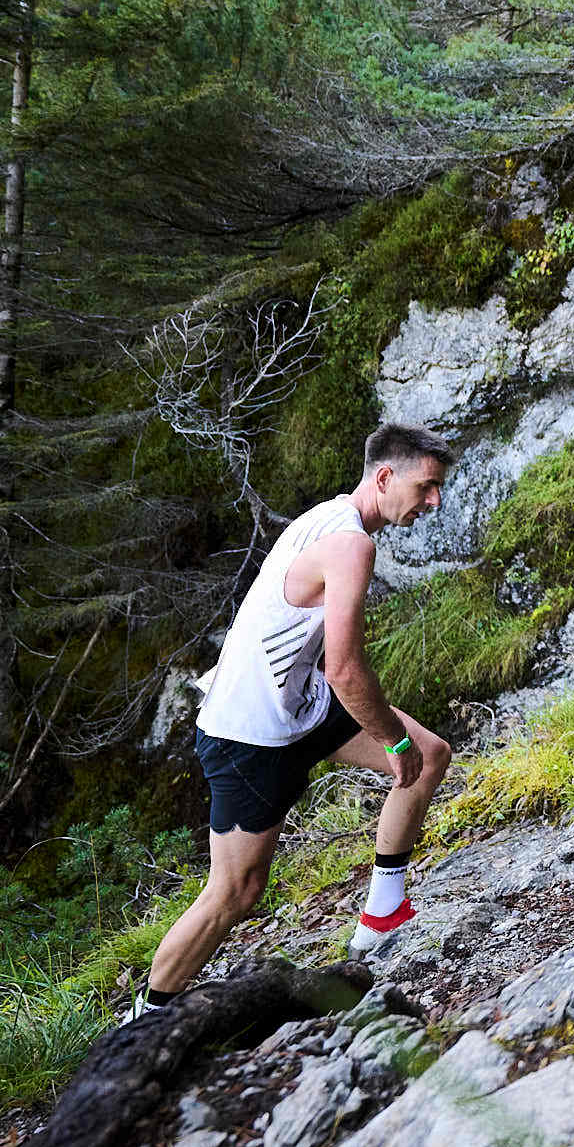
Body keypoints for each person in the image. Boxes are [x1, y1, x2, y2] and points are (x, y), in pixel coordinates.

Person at [127, 424, 459, 1018]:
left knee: (429, 755)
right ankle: (144, 1019)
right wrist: (392, 740)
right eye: (426, 487)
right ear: (385, 477)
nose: (433, 502)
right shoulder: (350, 544)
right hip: (249, 731)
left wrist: (404, 745)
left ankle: (382, 914)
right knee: (236, 891)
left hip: (298, 705)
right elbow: (345, 669)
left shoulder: (330, 517)